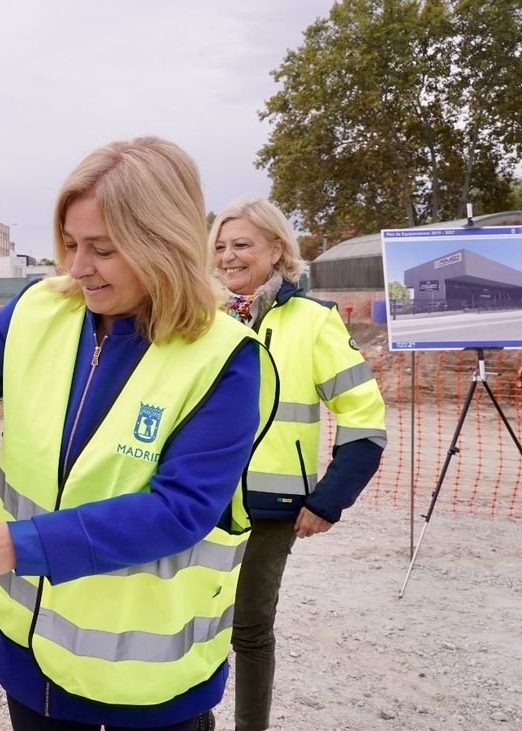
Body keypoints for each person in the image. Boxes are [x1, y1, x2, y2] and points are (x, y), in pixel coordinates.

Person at [0, 137, 278, 731]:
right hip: (27, 660)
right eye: (70, 244)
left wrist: (20, 544)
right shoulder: (41, 310)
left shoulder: (227, 361)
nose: (78, 267)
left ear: (163, 243)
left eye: (103, 249)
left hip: (144, 686)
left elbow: (179, 511)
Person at [209, 196, 386, 731]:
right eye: (219, 246)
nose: (228, 257)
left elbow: (364, 418)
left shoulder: (315, 322)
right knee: (192, 624)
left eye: (242, 244)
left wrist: (328, 500)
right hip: (200, 501)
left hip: (270, 508)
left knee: (249, 630)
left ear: (277, 250)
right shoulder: (200, 318)